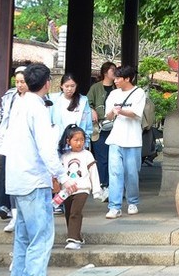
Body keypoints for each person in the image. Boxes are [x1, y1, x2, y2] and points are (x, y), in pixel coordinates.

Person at [4, 62, 71, 276]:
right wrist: (62, 176)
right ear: (47, 83)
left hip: (17, 176)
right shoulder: (38, 108)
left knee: (23, 236)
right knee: (41, 236)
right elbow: (46, 146)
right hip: (34, 177)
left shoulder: (18, 104)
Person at [103, 65, 147, 219]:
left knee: (131, 173)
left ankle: (133, 202)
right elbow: (108, 117)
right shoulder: (114, 94)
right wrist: (112, 113)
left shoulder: (139, 93)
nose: (115, 81)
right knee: (115, 173)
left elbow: (136, 113)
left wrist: (120, 111)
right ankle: (114, 206)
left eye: (118, 78)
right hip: (115, 139)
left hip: (133, 140)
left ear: (127, 78)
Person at [0, 64, 28, 229]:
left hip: (27, 144)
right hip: (12, 141)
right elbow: (4, 120)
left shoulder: (36, 98)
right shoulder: (10, 96)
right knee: (9, 175)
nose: (20, 85)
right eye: (18, 81)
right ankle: (11, 212)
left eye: (23, 81)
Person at [58, 125, 102, 251]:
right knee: (68, 213)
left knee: (75, 212)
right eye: (76, 140)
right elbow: (60, 173)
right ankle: (76, 236)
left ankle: (73, 239)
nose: (79, 143)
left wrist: (96, 189)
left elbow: (94, 172)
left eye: (81, 140)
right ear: (68, 141)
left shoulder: (87, 155)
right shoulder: (64, 156)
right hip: (67, 191)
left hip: (82, 188)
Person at [86, 62, 117, 196]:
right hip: (99, 127)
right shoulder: (96, 88)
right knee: (102, 157)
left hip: (116, 127)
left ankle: (114, 185)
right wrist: (92, 109)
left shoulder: (118, 87)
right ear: (105, 72)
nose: (115, 73)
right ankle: (103, 184)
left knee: (114, 158)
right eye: (112, 70)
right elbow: (87, 102)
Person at [50, 73, 93, 149]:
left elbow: (88, 124)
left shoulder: (83, 101)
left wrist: (85, 143)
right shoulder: (53, 99)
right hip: (58, 142)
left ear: (76, 86)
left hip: (77, 144)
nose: (69, 89)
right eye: (67, 86)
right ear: (61, 86)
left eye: (72, 86)